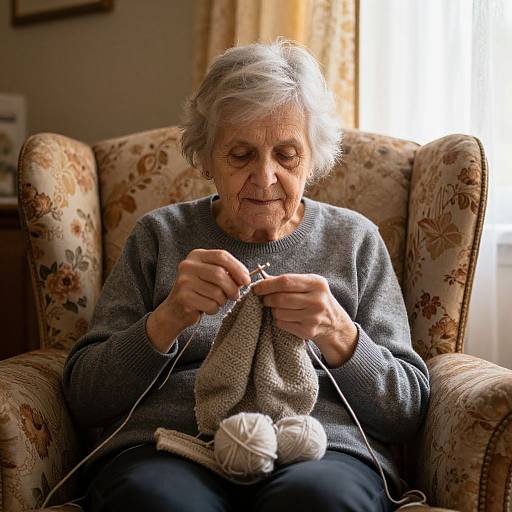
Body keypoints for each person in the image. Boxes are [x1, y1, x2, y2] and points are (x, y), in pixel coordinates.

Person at [63, 40, 430, 512]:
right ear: (205, 158)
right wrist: (168, 317)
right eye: (240, 154)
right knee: (159, 503)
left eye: (287, 154)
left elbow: (406, 413)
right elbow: (85, 397)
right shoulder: (159, 236)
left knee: (318, 501)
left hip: (318, 450)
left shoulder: (354, 240)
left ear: (313, 157)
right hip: (169, 446)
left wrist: (339, 334)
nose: (265, 176)